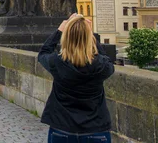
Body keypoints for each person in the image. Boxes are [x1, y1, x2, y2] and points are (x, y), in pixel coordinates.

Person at [38, 13, 115, 142]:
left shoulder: (57, 63)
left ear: (66, 38)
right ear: (88, 39)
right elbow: (107, 59)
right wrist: (91, 34)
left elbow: (43, 53)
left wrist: (59, 30)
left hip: (62, 129)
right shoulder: (101, 66)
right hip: (96, 130)